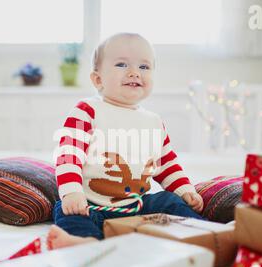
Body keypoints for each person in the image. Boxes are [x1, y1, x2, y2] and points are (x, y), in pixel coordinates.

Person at [47, 33, 204, 250]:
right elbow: (68, 155)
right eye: (122, 64)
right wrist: (72, 192)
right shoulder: (88, 111)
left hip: (136, 206)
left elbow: (167, 164)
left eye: (144, 67)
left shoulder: (154, 122)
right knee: (66, 211)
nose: (134, 72)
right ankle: (85, 242)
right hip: (90, 205)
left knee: (169, 201)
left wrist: (185, 189)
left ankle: (202, 231)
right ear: (98, 79)